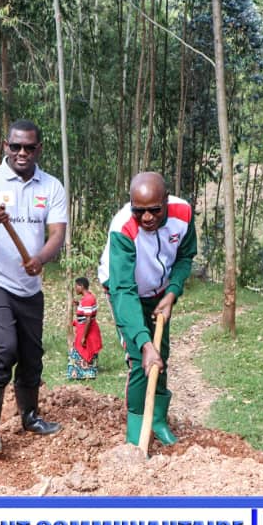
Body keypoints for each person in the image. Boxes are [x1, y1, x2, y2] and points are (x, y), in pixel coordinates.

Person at [0, 119, 67, 454]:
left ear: (38, 149)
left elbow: (57, 235)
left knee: (31, 355)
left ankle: (31, 415)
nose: (22, 153)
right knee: (5, 346)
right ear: (5, 147)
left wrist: (40, 258)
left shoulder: (51, 187)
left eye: (29, 147)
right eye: (15, 146)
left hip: (28, 283)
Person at [99, 172, 196, 446]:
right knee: (140, 358)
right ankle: (136, 433)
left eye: (154, 210)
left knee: (161, 354)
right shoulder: (122, 229)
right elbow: (123, 290)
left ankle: (157, 420)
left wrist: (173, 290)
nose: (147, 218)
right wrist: (143, 343)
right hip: (124, 289)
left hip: (160, 290)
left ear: (166, 200)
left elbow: (186, 256)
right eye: (139, 211)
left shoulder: (184, 213)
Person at [67, 277, 102, 380]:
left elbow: (88, 319)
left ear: (81, 286)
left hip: (87, 331)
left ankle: (83, 373)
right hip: (86, 329)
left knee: (81, 351)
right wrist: (79, 305)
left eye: (76, 286)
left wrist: (84, 337)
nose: (75, 288)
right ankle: (86, 372)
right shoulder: (89, 297)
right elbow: (87, 311)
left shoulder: (87, 300)